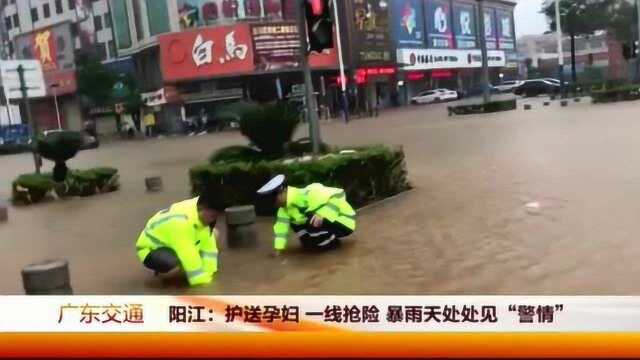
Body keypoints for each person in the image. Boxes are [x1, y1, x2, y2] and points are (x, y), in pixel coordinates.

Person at [135, 193, 224, 286]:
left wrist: (209, 272)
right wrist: (200, 279)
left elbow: (209, 247)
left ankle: (180, 266)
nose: (214, 219)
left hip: (172, 242)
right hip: (152, 248)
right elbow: (187, 251)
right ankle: (162, 271)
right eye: (212, 216)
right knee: (174, 267)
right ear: (201, 209)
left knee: (214, 234)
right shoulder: (180, 222)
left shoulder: (199, 210)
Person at [256, 175, 356, 255]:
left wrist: (322, 214)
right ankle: (313, 243)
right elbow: (281, 230)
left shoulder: (310, 192)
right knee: (297, 225)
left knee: (309, 216)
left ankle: (332, 243)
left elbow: (339, 194)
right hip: (321, 223)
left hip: (344, 222)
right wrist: (279, 248)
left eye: (275, 199)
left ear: (284, 191)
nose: (275, 203)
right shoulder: (283, 210)